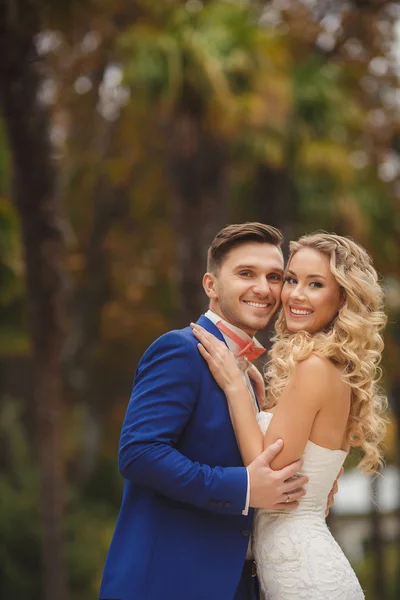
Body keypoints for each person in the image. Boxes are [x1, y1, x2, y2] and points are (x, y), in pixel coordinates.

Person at [99, 222, 315, 600]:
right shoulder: (181, 350)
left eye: (274, 276)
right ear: (211, 286)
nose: (263, 288)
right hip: (168, 584)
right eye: (246, 273)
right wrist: (244, 487)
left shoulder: (249, 377)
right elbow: (139, 453)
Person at [191, 232, 387, 600]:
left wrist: (235, 387)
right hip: (289, 570)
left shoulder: (314, 366)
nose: (295, 294)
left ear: (343, 297)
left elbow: (267, 471)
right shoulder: (329, 365)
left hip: (307, 579)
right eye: (292, 279)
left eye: (315, 284)